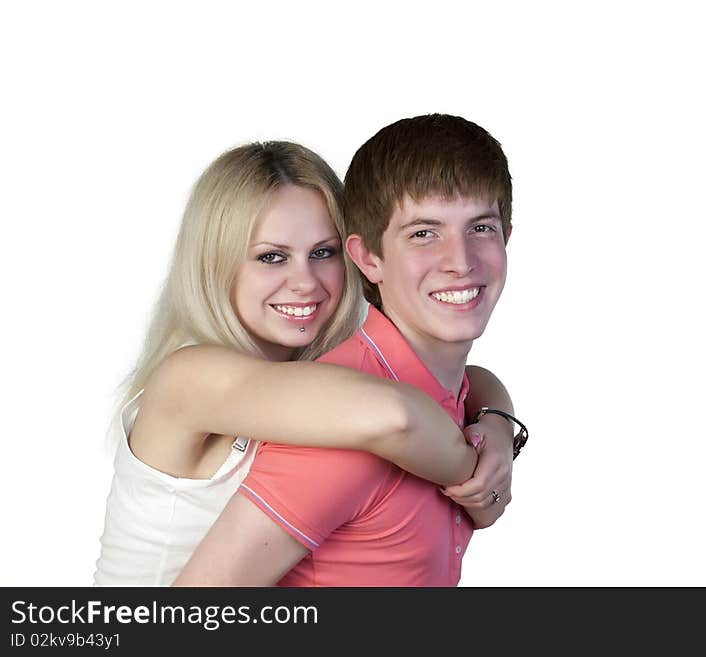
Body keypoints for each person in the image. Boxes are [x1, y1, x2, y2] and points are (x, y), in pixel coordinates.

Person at [93, 140, 517, 586]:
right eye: (271, 257)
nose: (304, 282)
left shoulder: (306, 375)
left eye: (323, 253)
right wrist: (476, 477)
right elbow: (396, 415)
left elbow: (458, 379)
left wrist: (497, 422)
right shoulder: (190, 376)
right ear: (215, 263)